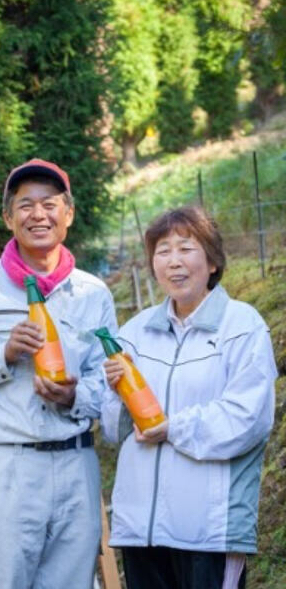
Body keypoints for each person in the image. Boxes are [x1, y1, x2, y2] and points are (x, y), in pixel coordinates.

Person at [0, 159, 117, 589]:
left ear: (68, 214)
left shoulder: (92, 293)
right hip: (9, 463)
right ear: (9, 218)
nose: (38, 214)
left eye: (49, 204)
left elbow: (108, 382)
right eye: (25, 205)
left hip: (77, 464)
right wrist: (3, 354)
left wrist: (73, 396)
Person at [101, 205, 278, 589]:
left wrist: (171, 428)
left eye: (186, 248)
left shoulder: (242, 326)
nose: (174, 262)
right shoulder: (136, 331)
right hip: (141, 529)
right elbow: (115, 431)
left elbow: (246, 419)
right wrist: (115, 392)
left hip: (209, 530)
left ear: (212, 261)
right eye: (163, 251)